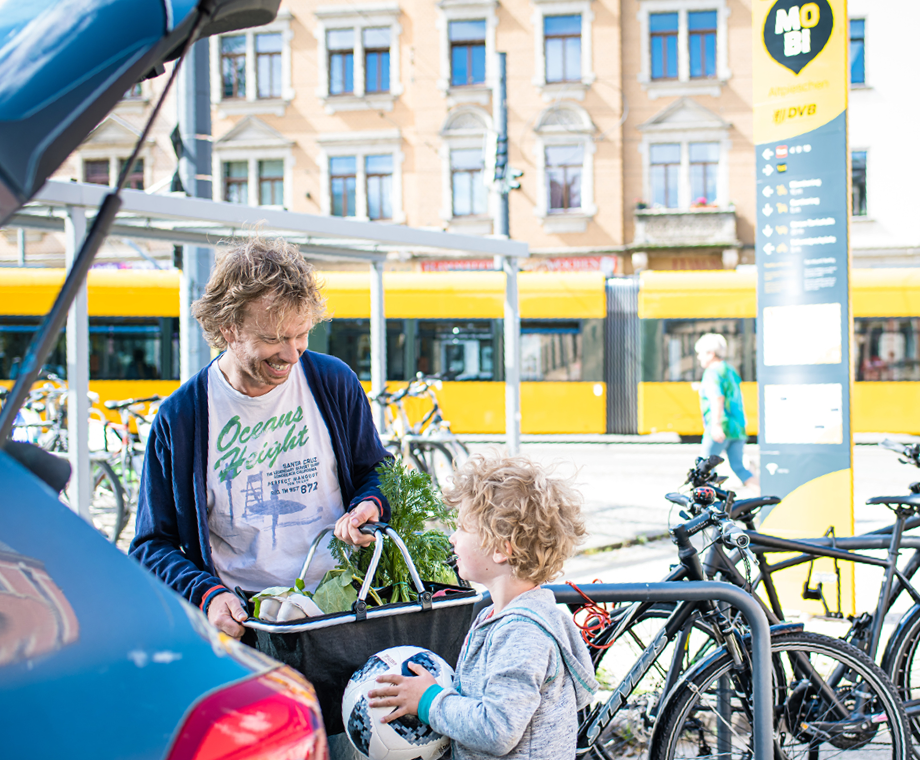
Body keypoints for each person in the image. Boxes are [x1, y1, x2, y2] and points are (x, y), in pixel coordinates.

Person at [129, 237, 391, 643]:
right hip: (247, 623)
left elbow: (375, 470)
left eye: (301, 334)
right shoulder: (180, 418)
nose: (292, 353)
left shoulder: (333, 382)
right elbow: (151, 545)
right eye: (274, 339)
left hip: (341, 609)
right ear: (228, 329)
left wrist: (370, 503)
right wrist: (207, 594)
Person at [368, 453, 599, 760]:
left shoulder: (522, 633)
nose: (452, 537)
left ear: (502, 548)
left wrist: (429, 701)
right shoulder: (500, 616)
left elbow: (497, 729)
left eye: (463, 527)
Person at [694, 333, 758, 491]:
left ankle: (708, 508)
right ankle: (763, 496)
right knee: (739, 467)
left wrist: (715, 424)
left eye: (700, 353)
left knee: (704, 468)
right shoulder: (729, 369)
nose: (698, 358)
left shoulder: (712, 372)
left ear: (711, 353)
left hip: (720, 426)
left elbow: (717, 398)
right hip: (737, 427)